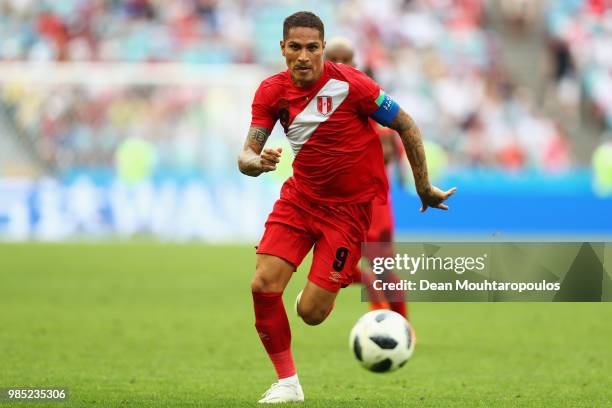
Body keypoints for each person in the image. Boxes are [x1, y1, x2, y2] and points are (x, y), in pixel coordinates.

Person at [237, 11, 456, 404]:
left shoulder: (353, 85)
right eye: (295, 47)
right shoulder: (271, 91)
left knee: (311, 313)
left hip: (348, 214)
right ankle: (288, 383)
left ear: (322, 50)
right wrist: (255, 163)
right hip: (299, 200)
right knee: (263, 284)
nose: (303, 56)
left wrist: (424, 188)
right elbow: (247, 154)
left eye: (312, 48)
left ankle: (334, 282)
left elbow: (405, 123)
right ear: (282, 48)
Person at [324, 37, 409, 320]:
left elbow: (388, 153)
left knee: (382, 268)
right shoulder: (330, 109)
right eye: (333, 62)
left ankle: (399, 322)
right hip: (345, 202)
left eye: (344, 62)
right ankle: (381, 307)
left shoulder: (376, 118)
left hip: (374, 206)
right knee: (337, 264)